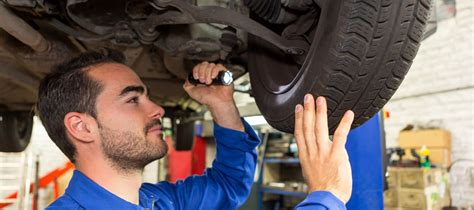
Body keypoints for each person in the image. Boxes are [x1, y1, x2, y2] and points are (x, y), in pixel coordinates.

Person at [36, 50, 354, 210]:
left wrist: (222, 106)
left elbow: (229, 185)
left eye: (147, 95)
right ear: (81, 126)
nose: (157, 109)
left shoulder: (158, 201)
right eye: (133, 99)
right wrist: (325, 197)